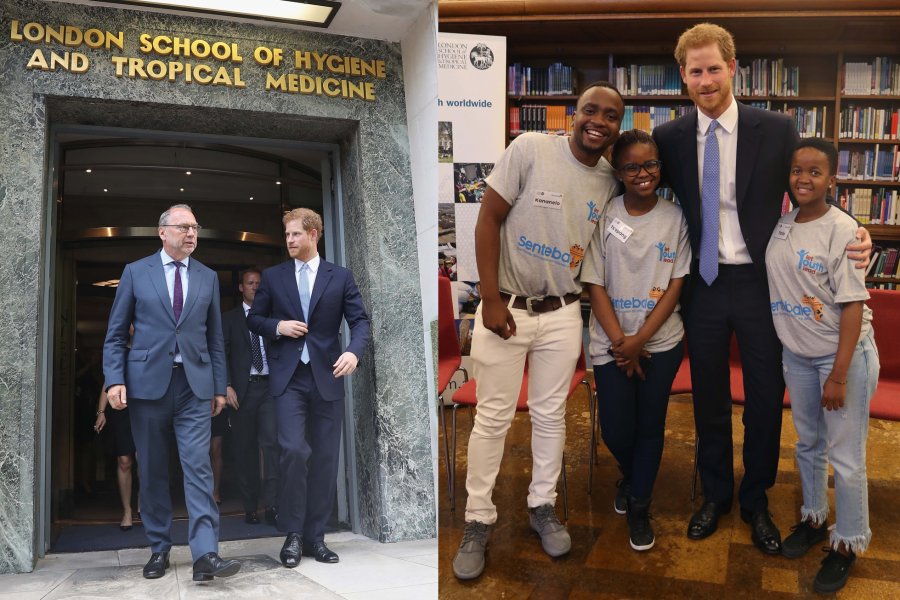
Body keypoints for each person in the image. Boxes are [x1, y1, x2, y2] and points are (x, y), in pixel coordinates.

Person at [652, 23, 871, 555]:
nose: (705, 80)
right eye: (695, 71)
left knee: (766, 398)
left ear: (733, 68)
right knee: (707, 397)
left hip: (760, 285)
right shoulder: (669, 138)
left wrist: (856, 232)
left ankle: (756, 500)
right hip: (702, 286)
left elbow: (808, 191)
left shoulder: (776, 130)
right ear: (683, 76)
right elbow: (633, 196)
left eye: (714, 68)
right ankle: (716, 495)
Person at [451, 81, 624, 580]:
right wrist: (488, 298)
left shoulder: (610, 180)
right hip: (506, 308)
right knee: (492, 418)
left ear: (618, 126)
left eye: (610, 116)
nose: (598, 121)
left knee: (551, 416)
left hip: (564, 312)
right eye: (590, 110)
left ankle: (542, 505)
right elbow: (487, 221)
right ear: (574, 113)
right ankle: (478, 519)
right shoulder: (528, 148)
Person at [103, 204, 241, 581]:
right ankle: (159, 549)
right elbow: (115, 335)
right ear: (162, 232)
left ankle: (205, 555)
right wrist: (115, 380)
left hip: (193, 387)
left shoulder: (208, 277)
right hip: (147, 388)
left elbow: (215, 340)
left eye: (195, 227)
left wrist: (217, 386)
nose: (192, 233)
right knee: (152, 469)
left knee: (197, 467)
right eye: (184, 227)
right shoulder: (136, 272)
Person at [765, 138, 879, 593]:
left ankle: (847, 543)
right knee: (808, 444)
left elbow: (852, 308)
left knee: (847, 459)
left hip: (840, 359)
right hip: (797, 355)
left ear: (833, 179)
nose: (804, 179)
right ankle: (814, 519)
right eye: (797, 170)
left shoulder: (845, 231)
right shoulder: (783, 225)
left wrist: (837, 375)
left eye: (815, 172)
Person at [581, 129, 691, 551]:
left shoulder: (676, 218)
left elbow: (676, 283)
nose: (642, 173)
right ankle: (633, 473)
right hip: (610, 342)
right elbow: (595, 284)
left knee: (650, 425)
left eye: (650, 165)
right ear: (619, 171)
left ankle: (641, 504)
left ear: (660, 169)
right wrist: (621, 342)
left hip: (661, 342)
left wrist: (641, 338)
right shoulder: (605, 216)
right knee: (615, 428)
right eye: (631, 166)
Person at [247, 208, 371, 568]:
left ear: (314, 234)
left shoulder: (340, 277)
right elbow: (254, 318)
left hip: (327, 377)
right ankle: (293, 534)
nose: (289, 240)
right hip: (288, 381)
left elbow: (360, 321)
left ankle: (316, 537)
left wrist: (353, 352)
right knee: (294, 451)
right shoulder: (273, 277)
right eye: (286, 234)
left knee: (325, 459)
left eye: (296, 234)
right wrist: (278, 327)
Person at [222, 268, 279, 526]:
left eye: (258, 283)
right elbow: (220, 354)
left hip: (268, 389)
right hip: (242, 393)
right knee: (244, 452)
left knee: (271, 446)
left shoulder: (271, 317)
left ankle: (272, 504)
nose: (255, 287)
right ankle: (250, 507)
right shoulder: (230, 319)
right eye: (250, 283)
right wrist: (226, 385)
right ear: (241, 287)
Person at [94, 388, 137, 531]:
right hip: (121, 407)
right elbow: (108, 381)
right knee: (124, 461)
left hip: (146, 405)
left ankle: (145, 500)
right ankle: (127, 511)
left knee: (145, 459)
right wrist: (101, 412)